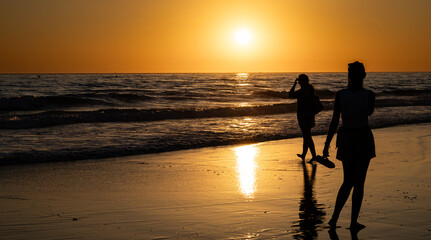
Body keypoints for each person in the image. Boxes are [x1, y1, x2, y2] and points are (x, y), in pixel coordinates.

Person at [322, 61, 376, 231]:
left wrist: (327, 144)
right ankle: (353, 221)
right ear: (364, 75)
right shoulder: (369, 95)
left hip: (346, 137)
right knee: (359, 182)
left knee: (347, 181)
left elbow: (334, 121)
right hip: (362, 136)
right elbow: (368, 112)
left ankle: (334, 217)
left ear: (348, 76)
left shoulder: (340, 94)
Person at [289, 74, 317, 162]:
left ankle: (314, 155)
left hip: (303, 116)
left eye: (300, 81)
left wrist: (294, 84)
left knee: (307, 136)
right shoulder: (310, 90)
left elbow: (290, 95)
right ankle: (304, 154)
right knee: (306, 136)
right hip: (309, 116)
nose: (299, 82)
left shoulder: (302, 91)